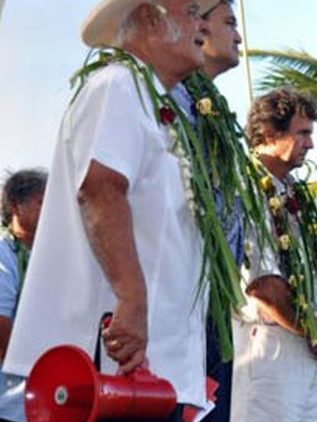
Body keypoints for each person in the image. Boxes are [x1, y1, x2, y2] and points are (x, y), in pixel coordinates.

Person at [3, 0, 215, 417]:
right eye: (191, 11)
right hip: (113, 360)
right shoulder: (119, 84)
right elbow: (101, 189)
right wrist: (132, 300)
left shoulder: (154, 100)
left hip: (152, 362)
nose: (202, 25)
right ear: (153, 19)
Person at [231, 88, 317, 422]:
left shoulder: (297, 193)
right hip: (269, 346)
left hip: (311, 347)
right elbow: (262, 286)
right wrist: (311, 329)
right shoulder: (246, 186)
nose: (311, 144)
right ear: (269, 135)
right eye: (303, 133)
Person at [171, 1, 253, 419]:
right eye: (229, 22)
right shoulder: (167, 99)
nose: (238, 36)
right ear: (195, 22)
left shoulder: (215, 107)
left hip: (214, 308)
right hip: (177, 307)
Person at [0, 169, 46, 422]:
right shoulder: (3, 255)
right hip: (10, 405)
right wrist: (40, 371)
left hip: (46, 402)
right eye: (42, 202)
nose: (52, 209)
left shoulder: (49, 256)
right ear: (16, 207)